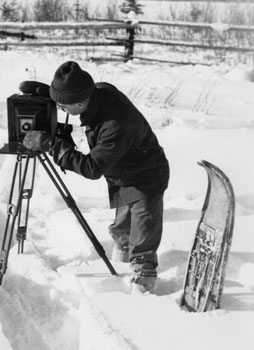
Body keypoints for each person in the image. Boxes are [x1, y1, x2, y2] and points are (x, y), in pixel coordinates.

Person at [23, 61, 169, 292]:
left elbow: (91, 168)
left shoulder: (116, 125)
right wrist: (49, 93)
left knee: (142, 242)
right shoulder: (99, 91)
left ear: (80, 102)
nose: (61, 110)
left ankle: (143, 289)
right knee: (122, 232)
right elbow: (75, 93)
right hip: (123, 174)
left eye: (62, 107)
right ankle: (119, 268)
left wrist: (54, 145)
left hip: (146, 177)